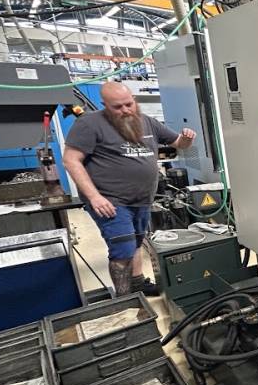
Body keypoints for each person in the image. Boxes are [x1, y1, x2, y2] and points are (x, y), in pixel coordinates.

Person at [63, 81, 197, 296]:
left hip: (142, 198)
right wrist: (95, 197)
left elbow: (179, 144)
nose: (125, 110)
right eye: (117, 107)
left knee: (135, 243)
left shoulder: (147, 122)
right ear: (105, 105)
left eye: (128, 104)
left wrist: (187, 138)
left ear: (134, 100)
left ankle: (137, 284)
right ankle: (125, 299)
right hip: (110, 200)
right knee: (122, 250)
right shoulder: (89, 124)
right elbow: (71, 160)